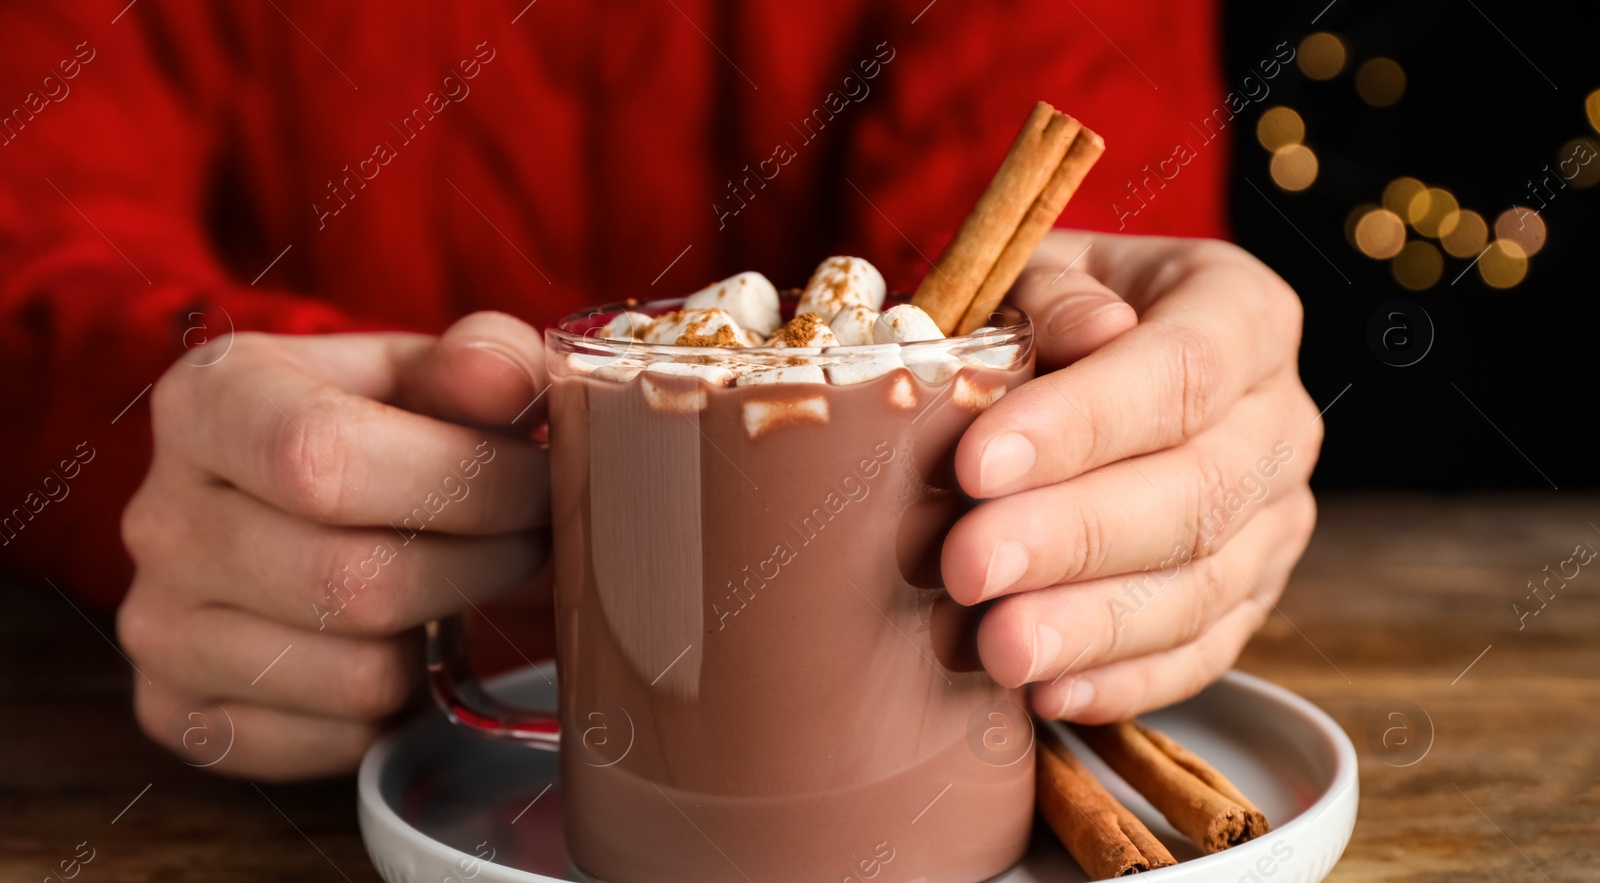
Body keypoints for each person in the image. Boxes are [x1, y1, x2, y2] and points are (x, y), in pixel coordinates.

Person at [0, 1, 1317, 779]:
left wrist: (1144, 418)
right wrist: (190, 442)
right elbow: (34, 227)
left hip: (918, 777)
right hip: (332, 799)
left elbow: (1031, 270)